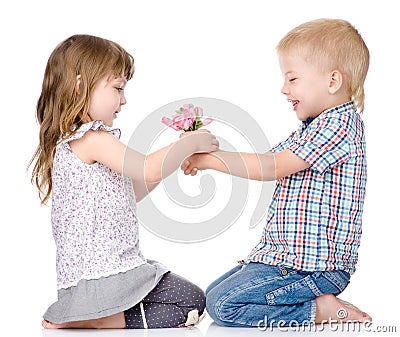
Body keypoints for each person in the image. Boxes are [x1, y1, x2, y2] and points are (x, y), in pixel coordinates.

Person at [181, 18, 372, 327]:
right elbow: (265, 160)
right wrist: (209, 155)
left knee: (223, 306)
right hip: (284, 260)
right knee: (212, 295)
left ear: (332, 81)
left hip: (314, 268)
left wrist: (210, 160)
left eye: (292, 78)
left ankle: (319, 310)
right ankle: (317, 302)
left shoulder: (340, 126)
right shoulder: (311, 129)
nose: (284, 88)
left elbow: (273, 167)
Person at [29, 34, 219, 329]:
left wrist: (174, 162)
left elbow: (131, 190)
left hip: (87, 283)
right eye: (117, 88)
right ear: (80, 85)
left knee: (186, 303)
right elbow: (146, 168)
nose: (124, 98)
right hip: (104, 278)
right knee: (191, 300)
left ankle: (90, 318)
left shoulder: (74, 143)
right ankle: (95, 320)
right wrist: (191, 143)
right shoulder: (92, 138)